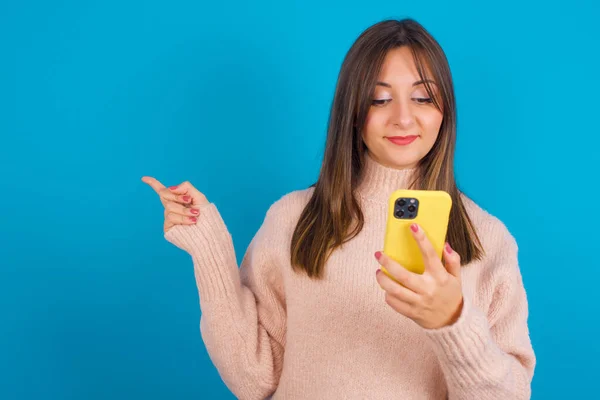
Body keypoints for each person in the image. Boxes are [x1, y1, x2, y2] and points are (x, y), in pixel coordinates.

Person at [142, 18, 536, 400]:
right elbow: (255, 380)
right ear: (352, 112)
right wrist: (209, 249)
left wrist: (454, 323)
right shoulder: (293, 218)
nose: (402, 117)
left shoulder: (487, 238)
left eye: (422, 97)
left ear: (445, 110)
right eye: (379, 99)